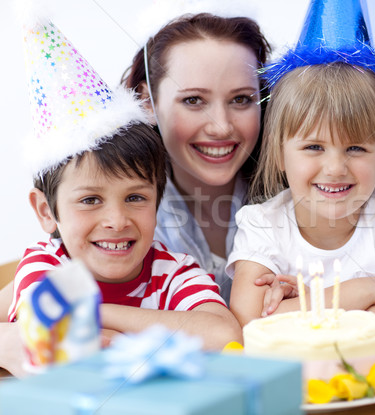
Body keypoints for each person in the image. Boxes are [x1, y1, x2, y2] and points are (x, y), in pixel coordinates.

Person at [2, 18, 241, 376]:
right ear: (45, 211)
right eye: (90, 200)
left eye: (135, 198)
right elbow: (65, 346)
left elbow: (223, 335)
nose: (117, 220)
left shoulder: (175, 271)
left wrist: (95, 311)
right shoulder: (46, 268)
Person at [226, 58, 375, 344]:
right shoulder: (263, 224)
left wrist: (301, 311)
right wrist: (362, 292)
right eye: (314, 147)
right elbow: (248, 327)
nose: (336, 168)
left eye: (355, 148)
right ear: (279, 154)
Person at [122, 13, 271, 305]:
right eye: (193, 100)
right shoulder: (111, 216)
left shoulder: (302, 193)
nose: (221, 126)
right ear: (148, 102)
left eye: (241, 99)